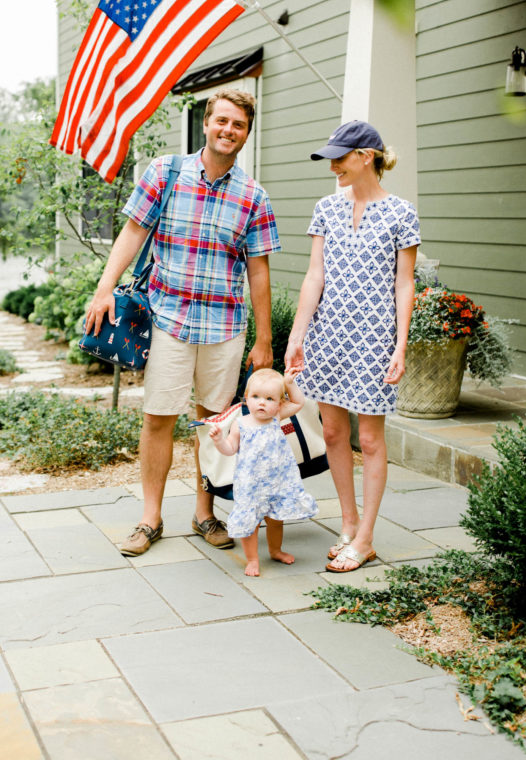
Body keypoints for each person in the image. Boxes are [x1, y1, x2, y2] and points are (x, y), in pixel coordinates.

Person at [85, 90, 281, 556]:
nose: (228, 131)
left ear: (246, 134)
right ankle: (150, 519)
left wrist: (265, 338)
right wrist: (104, 287)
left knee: (213, 424)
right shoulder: (164, 172)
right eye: (222, 121)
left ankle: (204, 513)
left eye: (238, 125)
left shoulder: (253, 196)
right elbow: (133, 231)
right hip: (169, 320)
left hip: (225, 327)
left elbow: (259, 270)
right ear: (206, 124)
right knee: (158, 419)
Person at [284, 120, 420, 573]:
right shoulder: (326, 208)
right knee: (336, 433)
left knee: (369, 437)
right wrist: (297, 336)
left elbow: (405, 285)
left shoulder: (402, 213)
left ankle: (365, 539)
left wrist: (401, 345)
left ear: (367, 157)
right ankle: (347, 523)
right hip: (328, 333)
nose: (333, 165)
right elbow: (314, 277)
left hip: (375, 337)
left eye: (341, 157)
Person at [209, 368, 318, 577]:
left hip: (277, 481)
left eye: (269, 398)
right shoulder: (240, 424)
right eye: (256, 397)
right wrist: (219, 441)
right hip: (251, 484)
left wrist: (289, 383)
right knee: (252, 522)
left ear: (279, 403)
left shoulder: (276, 417)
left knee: (276, 519)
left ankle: (275, 550)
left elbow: (298, 403)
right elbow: (230, 449)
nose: (262, 403)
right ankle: (252, 559)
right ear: (246, 398)